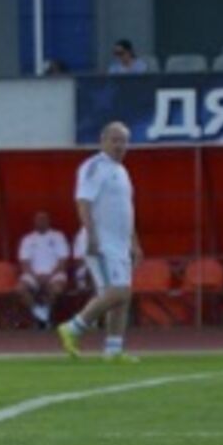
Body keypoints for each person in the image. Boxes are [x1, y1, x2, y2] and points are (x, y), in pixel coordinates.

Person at [56, 123, 141, 362]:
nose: (119, 145)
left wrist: (134, 243)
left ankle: (114, 349)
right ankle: (74, 327)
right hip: (102, 242)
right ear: (102, 141)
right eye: (114, 140)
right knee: (117, 292)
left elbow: (126, 211)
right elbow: (83, 201)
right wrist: (91, 234)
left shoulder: (122, 171)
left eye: (123, 141)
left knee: (122, 296)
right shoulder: (95, 166)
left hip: (120, 244)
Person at [15, 210, 70, 329]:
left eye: (43, 219)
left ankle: (46, 313)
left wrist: (49, 276)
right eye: (38, 219)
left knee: (56, 289)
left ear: (48, 221)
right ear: (34, 222)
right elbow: (24, 262)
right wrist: (35, 277)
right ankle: (39, 312)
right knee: (20, 288)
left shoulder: (58, 236)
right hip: (32, 275)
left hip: (54, 274)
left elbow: (63, 261)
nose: (41, 222)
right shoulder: (27, 239)